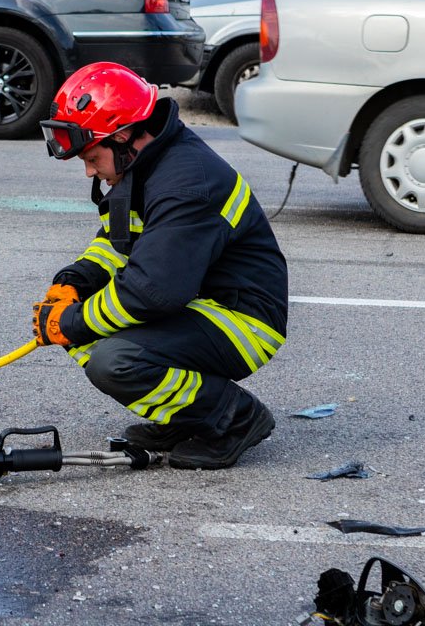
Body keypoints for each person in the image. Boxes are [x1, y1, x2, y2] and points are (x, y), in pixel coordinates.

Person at [34, 63, 288, 471]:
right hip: (198, 303)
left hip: (242, 320)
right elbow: (117, 244)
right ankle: (185, 416)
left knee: (112, 359)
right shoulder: (143, 165)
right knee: (80, 330)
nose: (88, 170)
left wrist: (73, 321)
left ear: (120, 136)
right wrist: (73, 283)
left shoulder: (186, 183)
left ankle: (233, 417)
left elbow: (151, 290)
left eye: (91, 157)